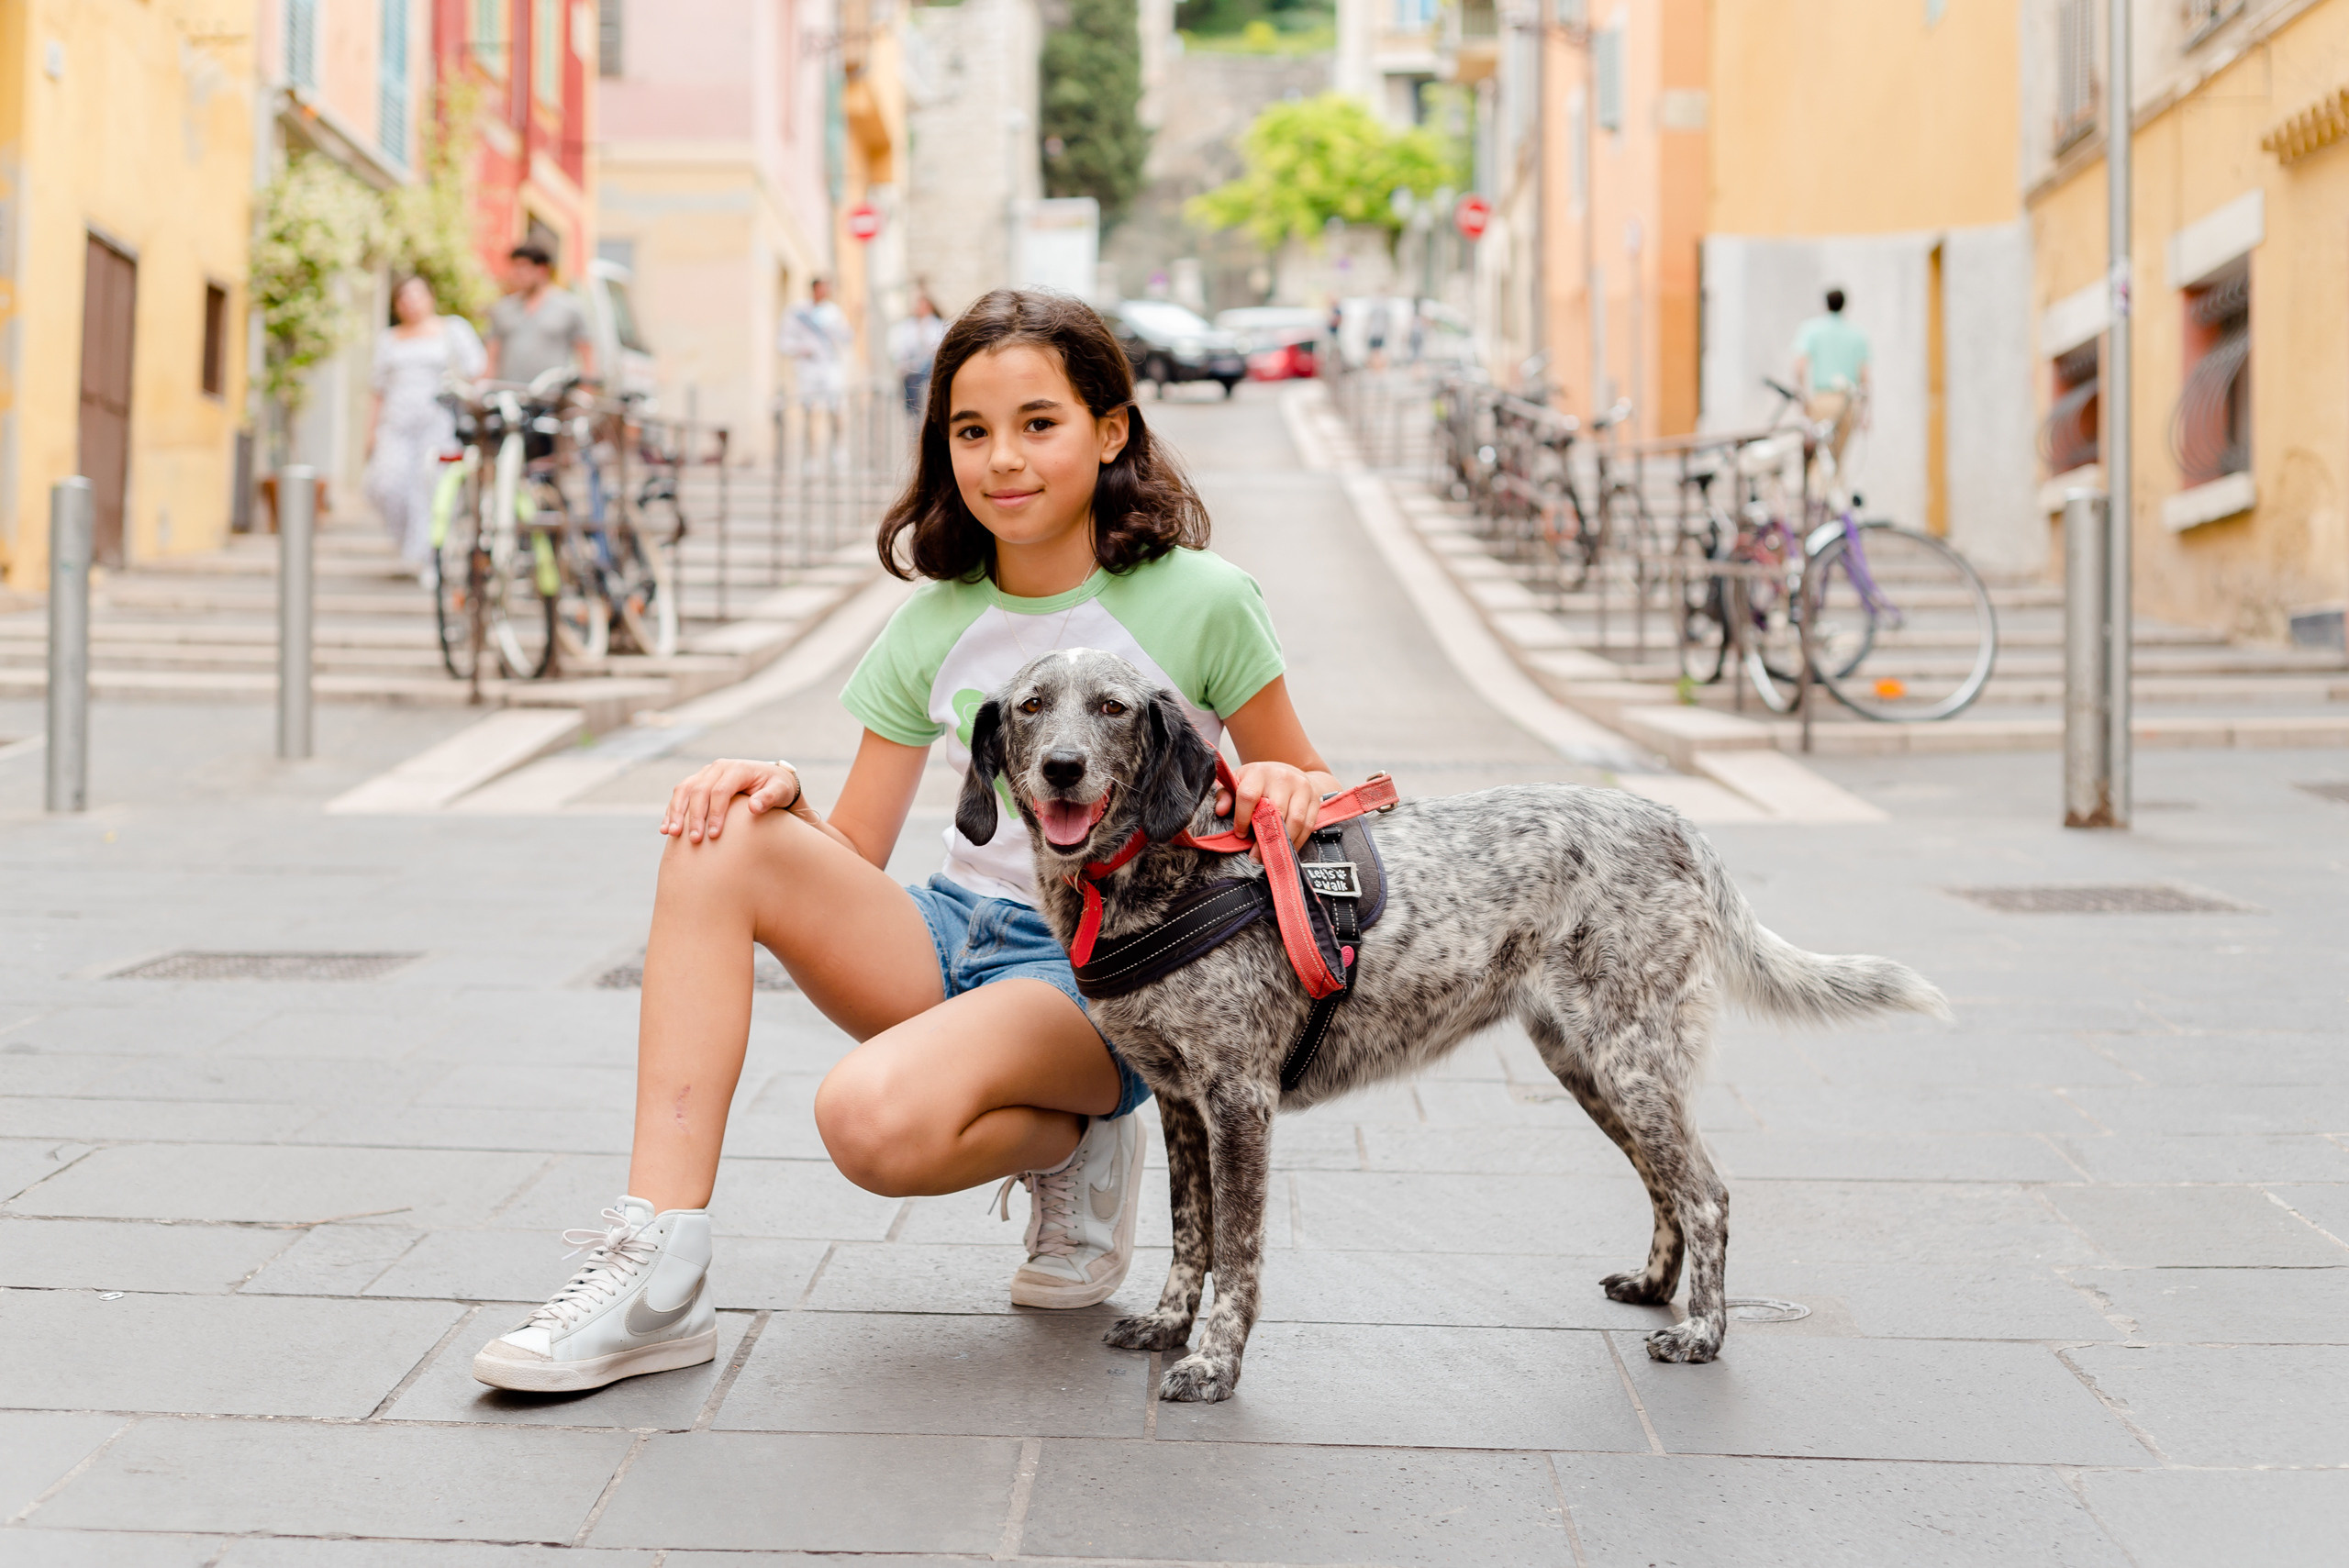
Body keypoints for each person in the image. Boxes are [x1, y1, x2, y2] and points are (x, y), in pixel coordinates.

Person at [472, 288, 1341, 1393]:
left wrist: (1276, 781)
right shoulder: (932, 621)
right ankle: (656, 1267)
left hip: (1107, 971)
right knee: (717, 833)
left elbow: (1313, 780)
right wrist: (780, 796)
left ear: (1110, 429)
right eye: (970, 432)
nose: (1001, 460)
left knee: (868, 1121)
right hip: (951, 930)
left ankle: (1080, 1128)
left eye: (1038, 422)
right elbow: (852, 849)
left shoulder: (1202, 599)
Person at [362, 276, 485, 581]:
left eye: (417, 295)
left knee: (430, 489)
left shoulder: (453, 330)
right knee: (385, 484)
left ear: (430, 297)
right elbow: (377, 389)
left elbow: (477, 374)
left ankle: (430, 558)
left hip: (439, 421)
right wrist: (370, 432)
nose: (411, 303)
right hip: (396, 423)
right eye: (403, 297)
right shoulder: (388, 339)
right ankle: (409, 545)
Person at [485, 242, 594, 389]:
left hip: (552, 397)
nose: (517, 273)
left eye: (523, 267)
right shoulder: (503, 308)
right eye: (515, 267)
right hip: (509, 396)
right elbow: (492, 356)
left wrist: (587, 390)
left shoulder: (569, 307)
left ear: (542, 270)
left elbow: (586, 354)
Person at [779, 276, 855, 466]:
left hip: (830, 367)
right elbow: (783, 342)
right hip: (808, 369)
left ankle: (838, 452)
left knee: (837, 409)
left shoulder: (833, 313)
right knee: (810, 412)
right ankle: (811, 457)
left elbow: (846, 338)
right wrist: (802, 348)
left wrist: (856, 317)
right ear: (814, 289)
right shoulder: (797, 312)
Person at [1792, 285, 1870, 465]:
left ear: (1825, 305)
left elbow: (1799, 367)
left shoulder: (1812, 329)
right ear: (1844, 305)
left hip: (1823, 400)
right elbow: (1864, 376)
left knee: (1818, 458)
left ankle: (1820, 492)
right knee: (1837, 460)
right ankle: (1831, 490)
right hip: (1849, 404)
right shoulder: (1857, 335)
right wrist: (1866, 412)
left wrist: (1804, 399)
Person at [889, 290, 947, 417]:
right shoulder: (909, 326)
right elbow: (903, 347)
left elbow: (935, 346)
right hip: (912, 369)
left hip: (928, 369)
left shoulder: (937, 325)